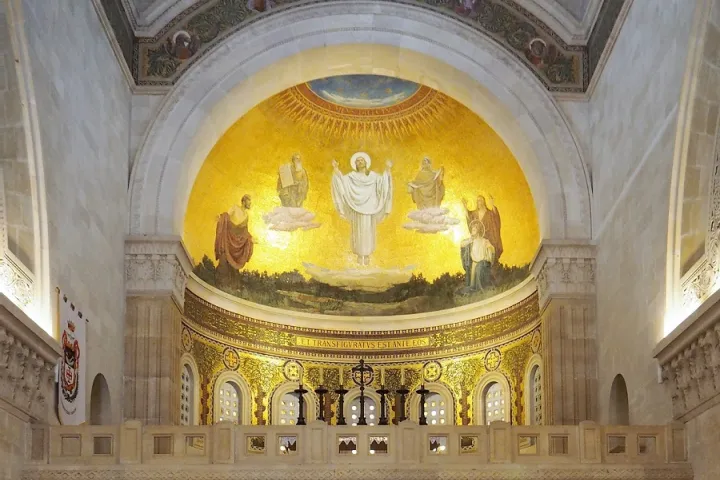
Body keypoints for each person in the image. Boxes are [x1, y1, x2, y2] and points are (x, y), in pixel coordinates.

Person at [331, 152, 393, 265]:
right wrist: (336, 169)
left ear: (366, 163)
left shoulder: (373, 176)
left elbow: (383, 183)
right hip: (356, 209)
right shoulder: (351, 177)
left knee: (368, 232)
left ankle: (367, 256)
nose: (360, 162)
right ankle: (360, 256)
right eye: (358, 161)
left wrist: (388, 170)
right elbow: (341, 181)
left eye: (362, 160)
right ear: (355, 164)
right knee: (358, 232)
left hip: (370, 208)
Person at [215, 194, 254, 278]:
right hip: (227, 240)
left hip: (237, 245)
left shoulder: (246, 216)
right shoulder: (235, 208)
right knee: (223, 264)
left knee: (233, 270)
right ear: (244, 201)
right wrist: (220, 217)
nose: (250, 203)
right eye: (249, 201)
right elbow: (226, 216)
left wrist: (250, 238)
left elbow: (244, 232)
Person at [462, 194, 503, 262]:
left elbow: (496, 219)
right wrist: (465, 207)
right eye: (477, 200)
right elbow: (469, 218)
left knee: (487, 257)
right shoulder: (474, 213)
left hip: (488, 238)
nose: (478, 202)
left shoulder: (489, 213)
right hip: (478, 239)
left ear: (484, 202)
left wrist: (492, 204)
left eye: (480, 200)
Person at [461, 221, 495, 291]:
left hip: (482, 265)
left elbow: (492, 249)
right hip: (474, 264)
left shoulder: (484, 241)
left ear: (478, 230)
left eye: (474, 230)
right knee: (472, 285)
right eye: (472, 230)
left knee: (480, 282)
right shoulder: (471, 241)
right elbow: (462, 244)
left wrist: (490, 247)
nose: (472, 232)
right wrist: (469, 240)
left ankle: (482, 288)